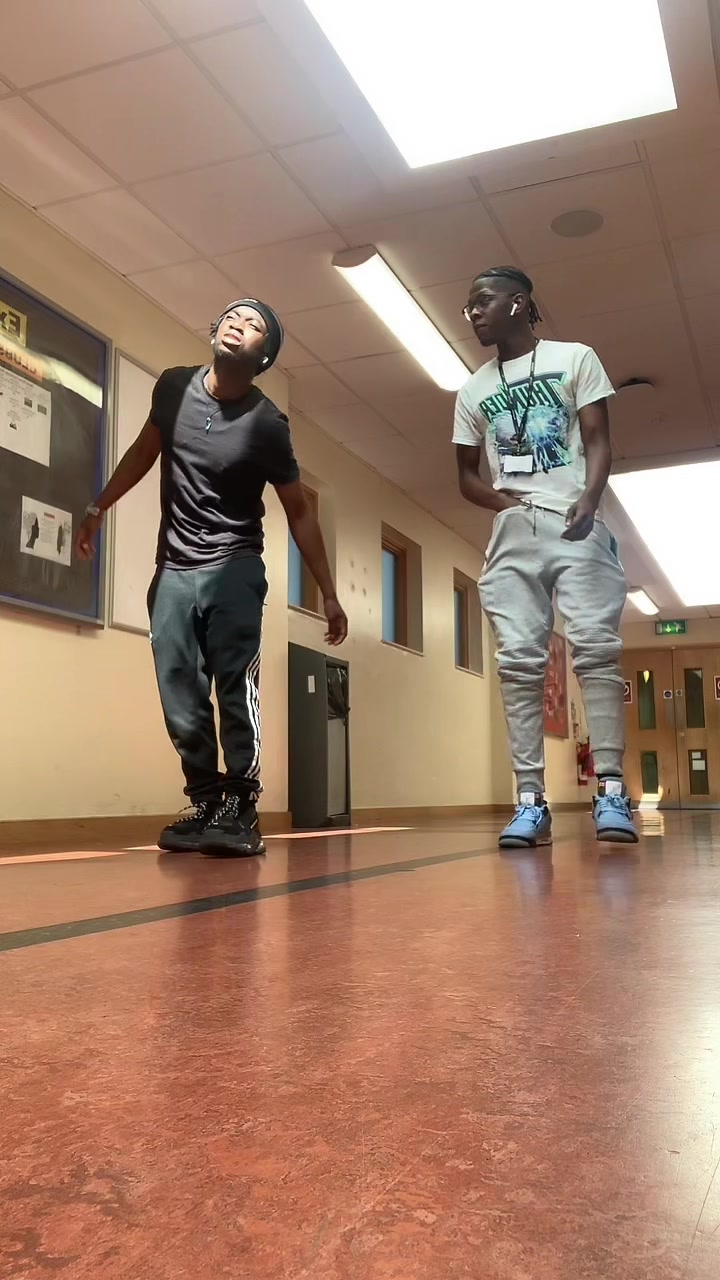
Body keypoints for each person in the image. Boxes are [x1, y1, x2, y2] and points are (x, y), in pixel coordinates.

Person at [75, 299, 347, 857]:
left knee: (233, 684)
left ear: (264, 355)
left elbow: (299, 511)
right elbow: (144, 452)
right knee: (180, 691)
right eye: (232, 317)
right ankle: (204, 801)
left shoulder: (267, 423)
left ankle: (241, 804)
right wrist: (99, 506)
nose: (237, 325)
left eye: (254, 325)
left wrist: (329, 592)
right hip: (174, 568)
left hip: (235, 565)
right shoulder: (174, 387)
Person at [453, 266, 636, 849]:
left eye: (483, 301)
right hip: (513, 532)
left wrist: (590, 497)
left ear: (518, 302)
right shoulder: (472, 389)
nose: (474, 313)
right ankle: (530, 801)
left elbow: (599, 439)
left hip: (578, 522)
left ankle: (611, 791)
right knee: (518, 662)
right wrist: (507, 503)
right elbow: (466, 476)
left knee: (597, 650)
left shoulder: (575, 358)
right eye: (469, 307)